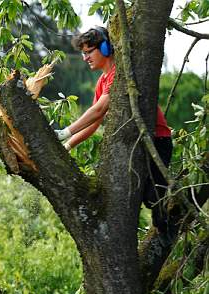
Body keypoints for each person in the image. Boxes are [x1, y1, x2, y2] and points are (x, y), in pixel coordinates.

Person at [55, 26, 173, 232]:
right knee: (134, 196)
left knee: (154, 200)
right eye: (83, 53)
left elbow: (100, 108)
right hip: (135, 144)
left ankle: (176, 216)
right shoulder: (102, 81)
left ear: (106, 48)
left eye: (89, 52)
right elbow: (93, 122)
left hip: (157, 140)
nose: (85, 58)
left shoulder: (120, 74)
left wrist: (67, 130)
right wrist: (67, 144)